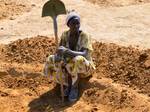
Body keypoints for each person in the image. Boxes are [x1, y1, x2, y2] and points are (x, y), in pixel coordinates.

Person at [44, 11, 95, 102]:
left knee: (77, 59)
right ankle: (67, 84)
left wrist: (68, 52)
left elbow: (85, 54)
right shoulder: (64, 35)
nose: (76, 26)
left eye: (77, 23)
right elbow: (59, 51)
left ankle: (74, 88)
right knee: (51, 59)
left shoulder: (84, 36)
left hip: (84, 67)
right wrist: (58, 55)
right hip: (69, 66)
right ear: (68, 25)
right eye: (73, 23)